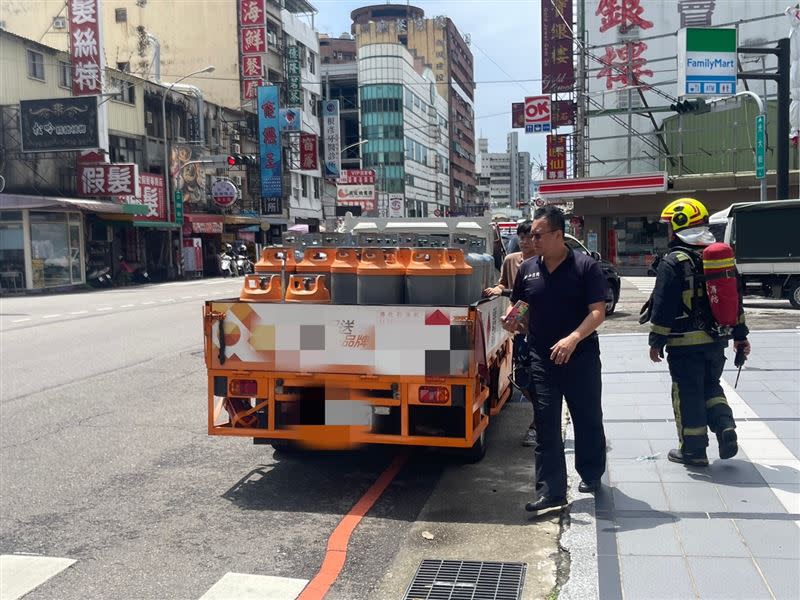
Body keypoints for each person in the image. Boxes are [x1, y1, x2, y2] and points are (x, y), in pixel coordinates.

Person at [505, 206, 608, 513]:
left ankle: (591, 473)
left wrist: (574, 338)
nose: (530, 240)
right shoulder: (528, 269)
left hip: (581, 356)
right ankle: (551, 491)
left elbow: (598, 312)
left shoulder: (585, 266)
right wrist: (513, 321)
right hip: (541, 357)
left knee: (587, 418)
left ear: (557, 235)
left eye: (537, 235)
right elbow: (521, 305)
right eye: (530, 235)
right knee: (546, 424)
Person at [647, 198, 750, 467]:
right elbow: (736, 298)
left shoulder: (673, 261)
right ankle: (725, 426)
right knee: (711, 386)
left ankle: (693, 450)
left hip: (683, 344)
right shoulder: (720, 257)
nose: (667, 231)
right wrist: (741, 335)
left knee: (688, 393)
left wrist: (656, 340)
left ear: (679, 225)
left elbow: (663, 304)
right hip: (716, 341)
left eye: (669, 225)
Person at [484, 220, 538, 446]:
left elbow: (525, 298)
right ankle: (540, 416)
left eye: (530, 237)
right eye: (522, 237)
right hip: (521, 332)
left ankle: (538, 425)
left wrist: (511, 304)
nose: (525, 242)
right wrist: (498, 291)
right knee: (522, 379)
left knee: (542, 381)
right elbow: (511, 292)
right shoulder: (511, 261)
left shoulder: (544, 263)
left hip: (544, 332)